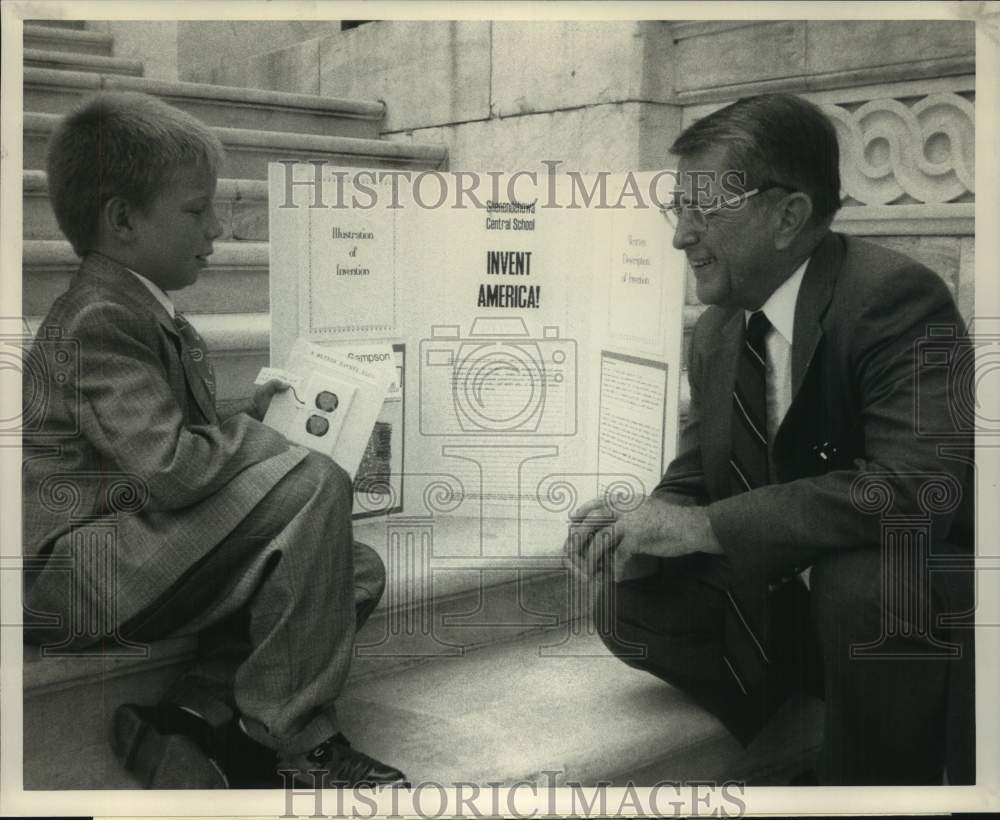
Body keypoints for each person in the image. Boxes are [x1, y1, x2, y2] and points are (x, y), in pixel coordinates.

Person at [565, 93, 975, 786]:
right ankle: (806, 710)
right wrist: (636, 537)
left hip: (911, 590)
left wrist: (703, 527)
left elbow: (916, 490)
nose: (681, 236)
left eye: (705, 209)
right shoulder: (721, 329)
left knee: (864, 587)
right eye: (678, 209)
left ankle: (879, 782)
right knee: (628, 605)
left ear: (788, 216)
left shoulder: (894, 297)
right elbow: (695, 479)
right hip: (797, 600)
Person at [22, 91, 408, 789]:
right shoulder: (96, 319)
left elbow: (157, 448)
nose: (217, 231)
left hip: (136, 548)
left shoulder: (139, 308)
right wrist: (258, 439)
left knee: (349, 568)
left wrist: (249, 424)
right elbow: (170, 466)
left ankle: (191, 721)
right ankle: (300, 744)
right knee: (314, 482)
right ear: (123, 221)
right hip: (79, 575)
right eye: (196, 211)